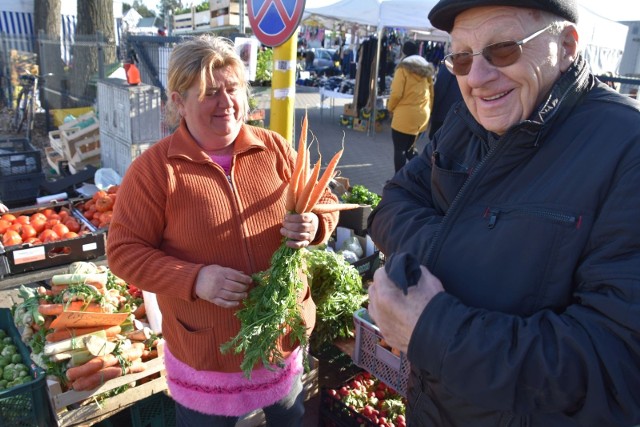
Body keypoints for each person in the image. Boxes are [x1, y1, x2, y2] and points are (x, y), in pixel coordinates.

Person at [366, 0, 640, 426]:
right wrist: (477, 252)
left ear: (566, 46)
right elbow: (391, 202)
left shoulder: (628, 149)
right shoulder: (465, 122)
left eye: (504, 49)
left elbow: (615, 364)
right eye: (459, 57)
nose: (476, 77)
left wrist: (435, 330)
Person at [107, 35, 339, 426]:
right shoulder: (154, 170)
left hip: (280, 342)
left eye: (233, 89)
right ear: (178, 102)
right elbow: (124, 252)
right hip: (208, 356)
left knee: (291, 418)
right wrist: (195, 279)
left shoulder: (274, 148)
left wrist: (316, 223)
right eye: (210, 92)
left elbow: (326, 199)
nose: (227, 103)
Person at [387, 40, 435, 172]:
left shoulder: (402, 69)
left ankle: (399, 180)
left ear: (404, 52)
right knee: (410, 149)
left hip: (404, 116)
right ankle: (422, 173)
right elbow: (431, 94)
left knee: (400, 150)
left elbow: (396, 93)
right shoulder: (427, 70)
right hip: (422, 115)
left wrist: (390, 108)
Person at [428, 61, 462, 139]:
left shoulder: (449, 64)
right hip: (458, 114)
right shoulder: (469, 64)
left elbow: (440, 89)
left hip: (443, 112)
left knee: (436, 140)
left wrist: (432, 110)